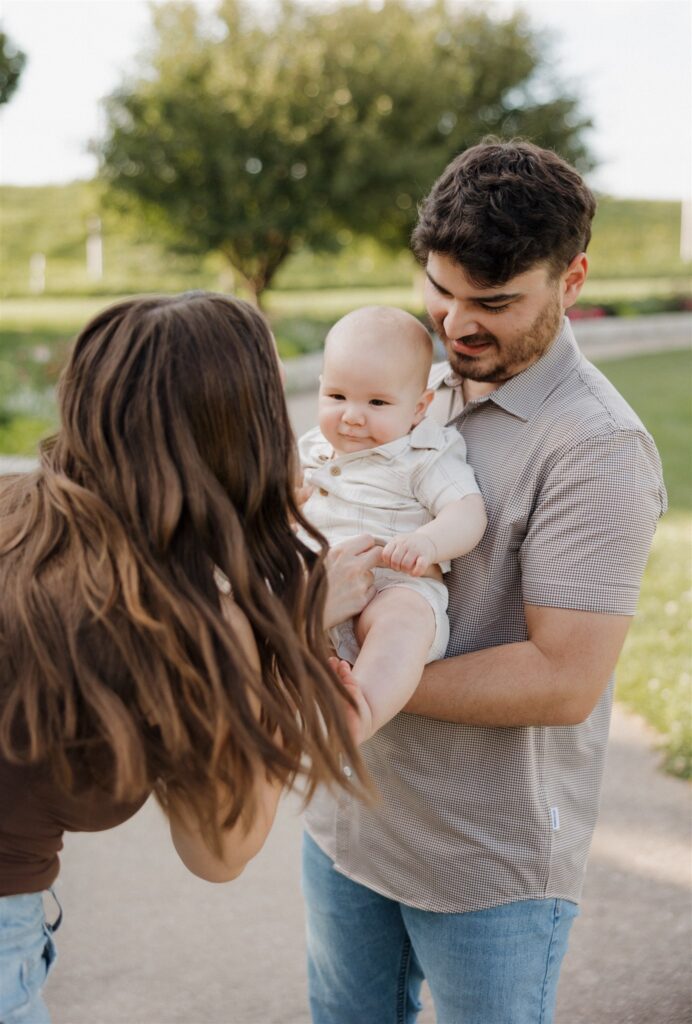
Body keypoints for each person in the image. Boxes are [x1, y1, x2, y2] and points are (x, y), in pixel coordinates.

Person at [301, 139, 667, 1024]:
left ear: (572, 280)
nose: (456, 324)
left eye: (495, 302)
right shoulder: (418, 377)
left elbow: (563, 680)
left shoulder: (597, 447)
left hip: (482, 861)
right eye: (441, 290)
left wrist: (357, 684)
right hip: (349, 823)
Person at [0, 292, 378, 1024]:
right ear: (243, 436)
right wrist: (285, 628)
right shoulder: (181, 618)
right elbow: (221, 851)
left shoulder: (18, 514)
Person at [298, 305, 486, 742]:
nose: (352, 416)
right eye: (337, 397)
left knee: (403, 622)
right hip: (313, 589)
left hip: (391, 583)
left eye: (377, 402)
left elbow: (467, 510)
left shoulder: (423, 454)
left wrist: (427, 543)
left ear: (419, 407)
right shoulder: (313, 448)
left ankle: (361, 709)